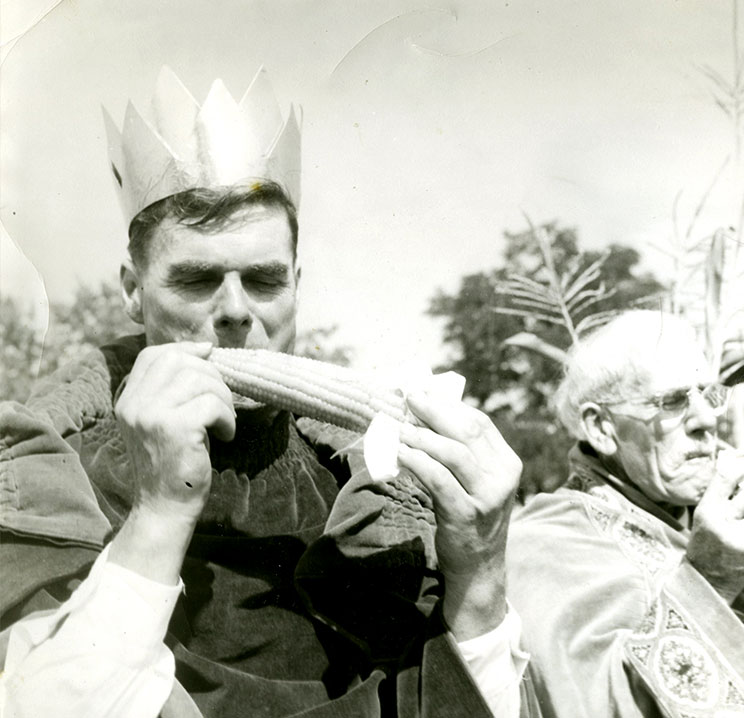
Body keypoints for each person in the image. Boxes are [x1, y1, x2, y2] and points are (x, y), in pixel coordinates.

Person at [0, 67, 532, 718]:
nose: (235, 311)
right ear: (132, 292)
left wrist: (479, 577)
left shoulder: (371, 489)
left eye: (263, 280)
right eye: (196, 280)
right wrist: (162, 509)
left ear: (297, 284)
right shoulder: (41, 475)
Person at [506, 310, 744, 718]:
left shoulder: (712, 526)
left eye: (710, 394)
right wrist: (710, 581)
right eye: (675, 401)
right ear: (601, 428)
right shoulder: (540, 547)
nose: (708, 419)